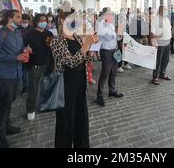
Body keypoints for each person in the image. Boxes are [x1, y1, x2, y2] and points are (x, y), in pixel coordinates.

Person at [50, 9, 99, 148]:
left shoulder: (76, 37)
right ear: (61, 20)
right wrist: (85, 45)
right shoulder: (57, 41)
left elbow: (85, 59)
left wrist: (90, 45)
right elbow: (70, 63)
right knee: (65, 119)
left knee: (80, 116)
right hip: (65, 84)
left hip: (79, 83)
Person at [0, 10, 29, 148]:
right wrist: (14, 58)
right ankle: (0, 136)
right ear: (10, 18)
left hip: (17, 73)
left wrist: (25, 51)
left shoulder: (17, 32)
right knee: (4, 104)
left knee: (10, 100)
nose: (21, 19)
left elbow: (20, 49)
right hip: (4, 74)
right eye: (18, 17)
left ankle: (6, 126)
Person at [24, 14, 53, 121]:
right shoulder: (30, 34)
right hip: (35, 65)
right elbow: (24, 47)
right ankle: (30, 110)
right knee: (33, 88)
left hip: (47, 63)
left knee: (46, 86)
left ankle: (45, 104)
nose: (43, 22)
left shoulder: (49, 33)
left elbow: (51, 47)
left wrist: (51, 45)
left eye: (45, 20)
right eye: (41, 20)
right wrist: (25, 49)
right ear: (36, 22)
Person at [96, 11, 123, 107]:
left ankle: (112, 90)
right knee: (105, 72)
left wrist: (120, 34)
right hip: (106, 51)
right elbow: (106, 37)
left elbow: (117, 38)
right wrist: (116, 33)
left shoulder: (111, 25)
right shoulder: (100, 25)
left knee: (114, 72)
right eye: (111, 16)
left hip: (114, 50)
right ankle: (99, 95)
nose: (112, 17)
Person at [151, 6, 173, 85]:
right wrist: (154, 43)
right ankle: (155, 76)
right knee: (158, 60)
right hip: (159, 43)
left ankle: (162, 73)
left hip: (167, 42)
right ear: (160, 11)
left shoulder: (166, 19)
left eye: (166, 10)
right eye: (165, 10)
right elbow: (152, 33)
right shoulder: (155, 19)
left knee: (166, 59)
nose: (166, 11)